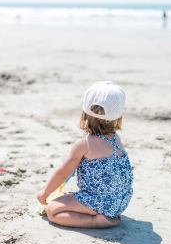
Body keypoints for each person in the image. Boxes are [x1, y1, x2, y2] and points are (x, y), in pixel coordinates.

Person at [37, 81, 133, 228]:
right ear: (118, 117)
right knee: (69, 198)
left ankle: (97, 221)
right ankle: (103, 214)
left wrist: (45, 192)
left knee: (52, 211)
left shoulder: (84, 145)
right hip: (121, 201)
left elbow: (63, 173)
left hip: (99, 202)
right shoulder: (116, 139)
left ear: (85, 113)